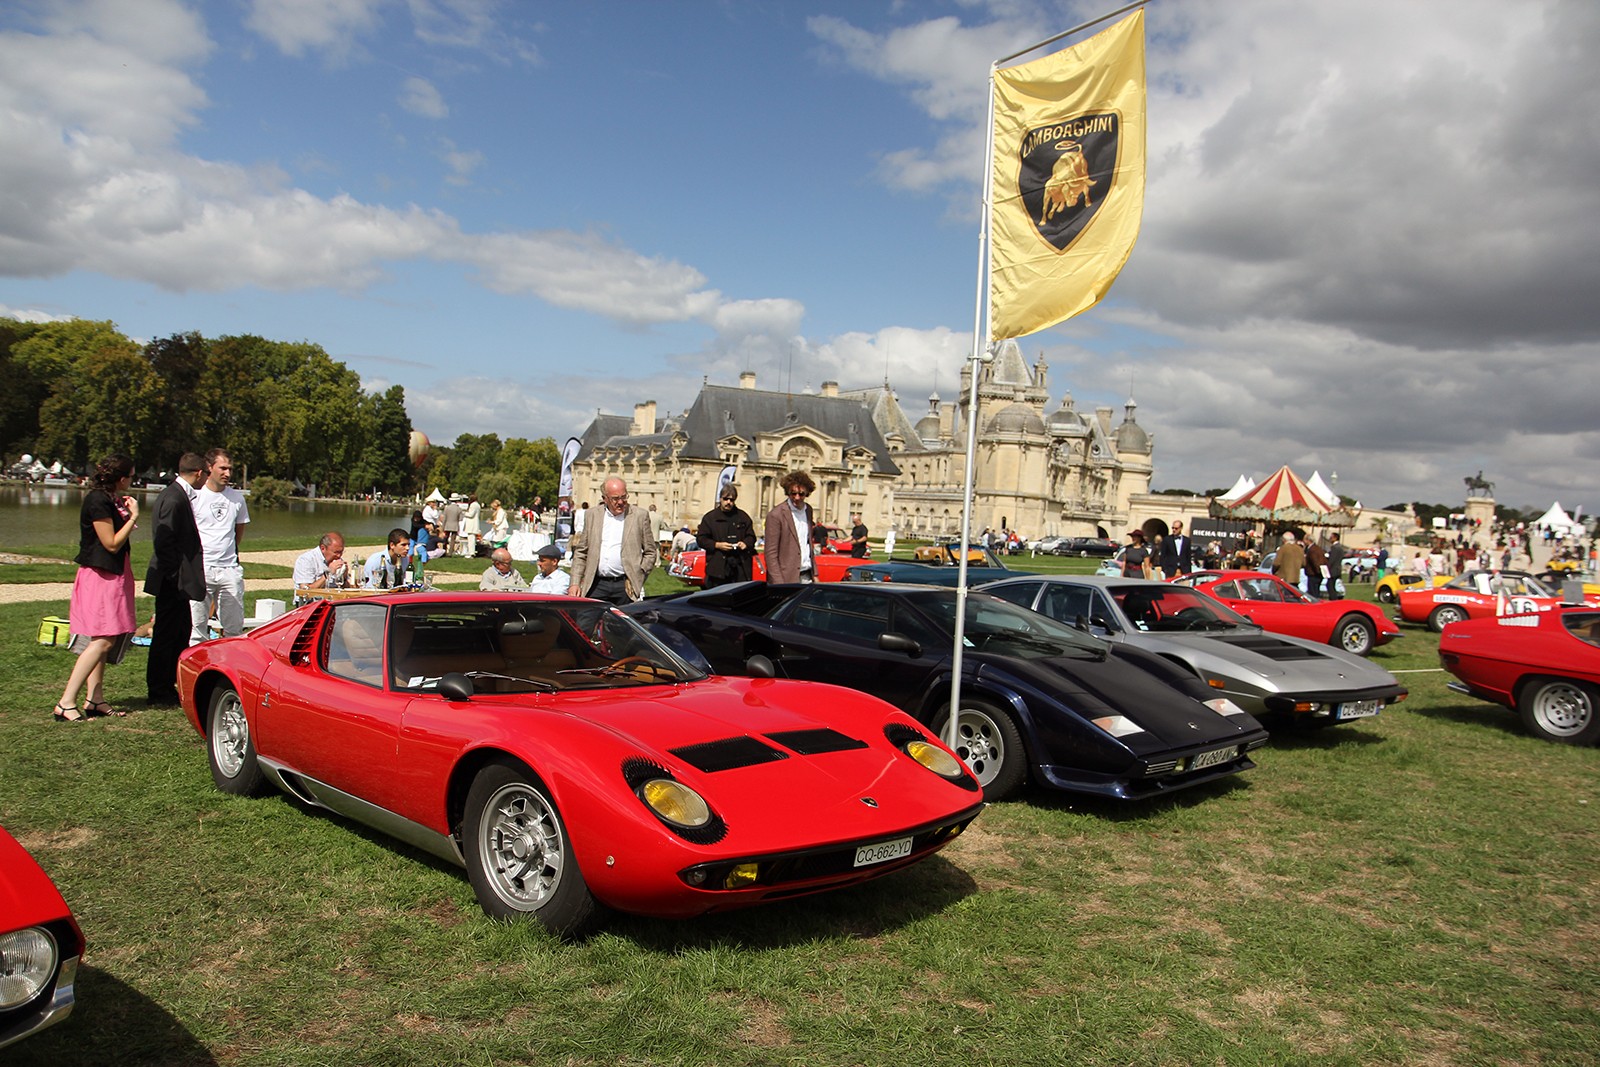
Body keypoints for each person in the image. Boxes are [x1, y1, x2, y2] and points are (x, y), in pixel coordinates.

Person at [54, 454, 140, 721]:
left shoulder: (111, 499)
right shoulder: (97, 500)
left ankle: (95, 699)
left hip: (114, 574)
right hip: (101, 576)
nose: (133, 480)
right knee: (103, 640)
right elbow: (111, 543)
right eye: (131, 476)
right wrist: (133, 517)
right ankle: (66, 702)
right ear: (121, 477)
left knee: (104, 637)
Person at [143, 453, 207, 704]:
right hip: (172, 580)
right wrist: (174, 576)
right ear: (199, 473)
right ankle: (159, 689)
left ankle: (168, 684)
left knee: (180, 631)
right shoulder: (174, 498)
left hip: (176, 580)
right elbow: (164, 540)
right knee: (167, 634)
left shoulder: (176, 495)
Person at [189, 447, 250, 645]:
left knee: (234, 628)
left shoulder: (237, 498)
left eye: (230, 469)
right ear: (209, 467)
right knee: (197, 627)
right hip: (202, 568)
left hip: (229, 570)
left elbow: (238, 532)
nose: (227, 473)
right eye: (222, 468)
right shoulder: (195, 496)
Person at [568, 477, 658, 605]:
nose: (621, 502)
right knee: (585, 623)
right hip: (596, 584)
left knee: (622, 624)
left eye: (624, 497)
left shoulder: (639, 516)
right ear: (605, 498)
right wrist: (575, 583)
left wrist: (639, 574)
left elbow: (650, 552)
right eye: (615, 498)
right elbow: (581, 552)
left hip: (625, 586)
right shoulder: (592, 515)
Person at [696, 484, 756, 587]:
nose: (728, 502)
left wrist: (745, 544)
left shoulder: (743, 517)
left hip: (740, 567)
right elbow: (701, 539)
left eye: (732, 500)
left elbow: (751, 536)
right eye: (726, 499)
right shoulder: (710, 518)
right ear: (720, 499)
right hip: (717, 567)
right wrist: (717, 545)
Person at [764, 470, 817, 583]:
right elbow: (770, 553)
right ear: (787, 492)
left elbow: (808, 544)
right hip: (785, 578)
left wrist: (815, 574)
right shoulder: (776, 515)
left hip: (807, 575)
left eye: (801, 494)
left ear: (807, 493)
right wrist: (779, 583)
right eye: (793, 493)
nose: (797, 497)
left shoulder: (808, 510)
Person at [293, 531, 347, 605]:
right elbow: (305, 591)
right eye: (336, 552)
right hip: (310, 605)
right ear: (323, 548)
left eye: (341, 552)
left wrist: (344, 578)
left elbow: (347, 588)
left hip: (333, 604)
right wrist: (328, 573)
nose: (339, 556)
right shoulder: (306, 560)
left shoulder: (336, 561)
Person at [1326, 534, 1346, 599]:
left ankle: (1333, 599)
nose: (1329, 539)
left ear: (1335, 538)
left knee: (1330, 585)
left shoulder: (1334, 547)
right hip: (1337, 569)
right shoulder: (1340, 547)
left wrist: (1327, 567)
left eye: (1331, 537)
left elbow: (1332, 560)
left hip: (1333, 570)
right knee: (1332, 585)